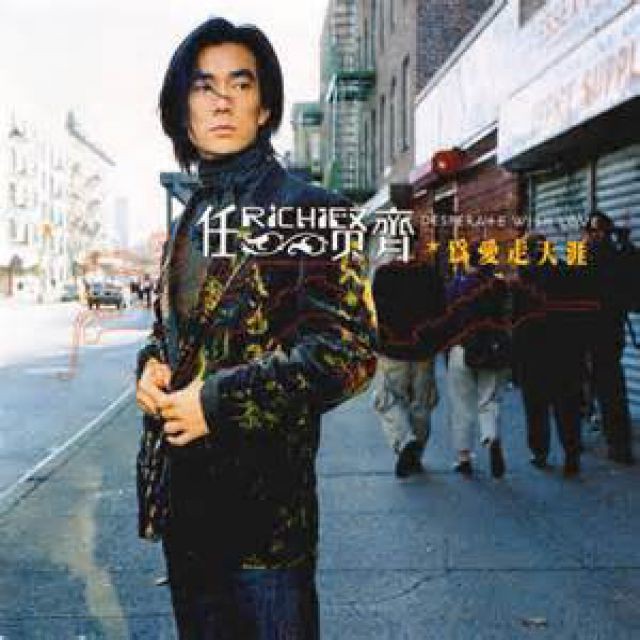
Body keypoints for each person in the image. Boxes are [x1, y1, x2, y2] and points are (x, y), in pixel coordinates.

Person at [135, 18, 376, 639]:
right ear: (181, 109)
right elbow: (174, 334)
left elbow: (346, 353)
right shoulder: (192, 216)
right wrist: (151, 368)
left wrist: (215, 402)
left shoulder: (309, 211)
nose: (221, 101)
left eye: (239, 85)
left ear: (264, 107)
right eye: (204, 86)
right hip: (187, 517)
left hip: (265, 532)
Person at [511, 234, 586, 477]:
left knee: (536, 408)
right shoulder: (568, 274)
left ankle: (540, 453)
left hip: (532, 354)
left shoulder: (523, 280)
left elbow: (516, 323)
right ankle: (571, 454)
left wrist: (514, 364)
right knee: (567, 407)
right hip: (565, 352)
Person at [371, 257, 445, 478]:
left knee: (388, 399)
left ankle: (404, 441)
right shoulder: (429, 273)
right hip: (423, 350)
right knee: (422, 403)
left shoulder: (384, 273)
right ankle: (416, 454)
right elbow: (442, 310)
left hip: (392, 348)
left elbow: (373, 310)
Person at [445, 245, 508, 478]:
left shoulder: (456, 287)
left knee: (461, 405)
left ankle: (464, 457)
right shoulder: (499, 286)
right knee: (488, 399)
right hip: (491, 350)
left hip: (462, 348)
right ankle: (490, 436)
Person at [583, 212, 635, 465]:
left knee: (606, 385)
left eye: (595, 231)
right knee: (608, 385)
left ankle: (616, 443)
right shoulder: (619, 254)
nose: (594, 236)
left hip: (597, 330)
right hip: (609, 329)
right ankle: (614, 438)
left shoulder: (596, 254)